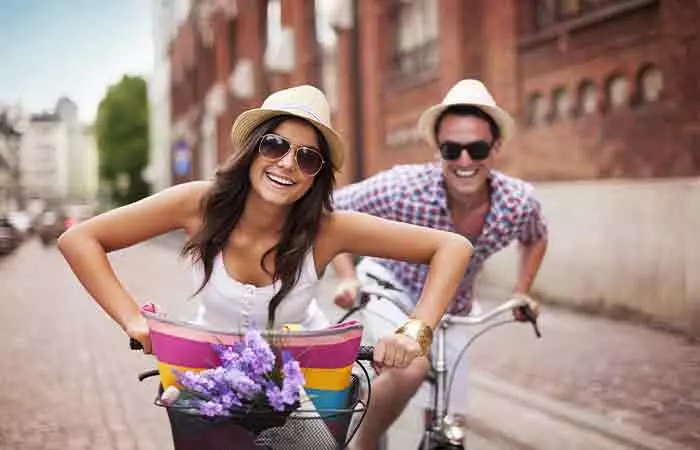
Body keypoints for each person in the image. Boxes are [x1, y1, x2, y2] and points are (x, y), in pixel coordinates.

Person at [57, 84, 474, 372]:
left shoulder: (328, 229)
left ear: (317, 176)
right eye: (274, 146)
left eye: (307, 157)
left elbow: (452, 247)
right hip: (210, 375)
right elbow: (80, 239)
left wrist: (415, 331)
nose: (288, 164)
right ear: (250, 150)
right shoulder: (199, 204)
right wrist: (133, 321)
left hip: (304, 383)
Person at [331, 79, 548, 449]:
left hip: (453, 306)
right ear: (437, 150)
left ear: (495, 148)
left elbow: (536, 235)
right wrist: (347, 277)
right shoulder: (401, 187)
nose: (465, 161)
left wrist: (521, 291)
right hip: (391, 290)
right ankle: (362, 443)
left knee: (448, 416)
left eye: (477, 149)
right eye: (452, 149)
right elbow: (330, 214)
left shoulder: (518, 201)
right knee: (410, 366)